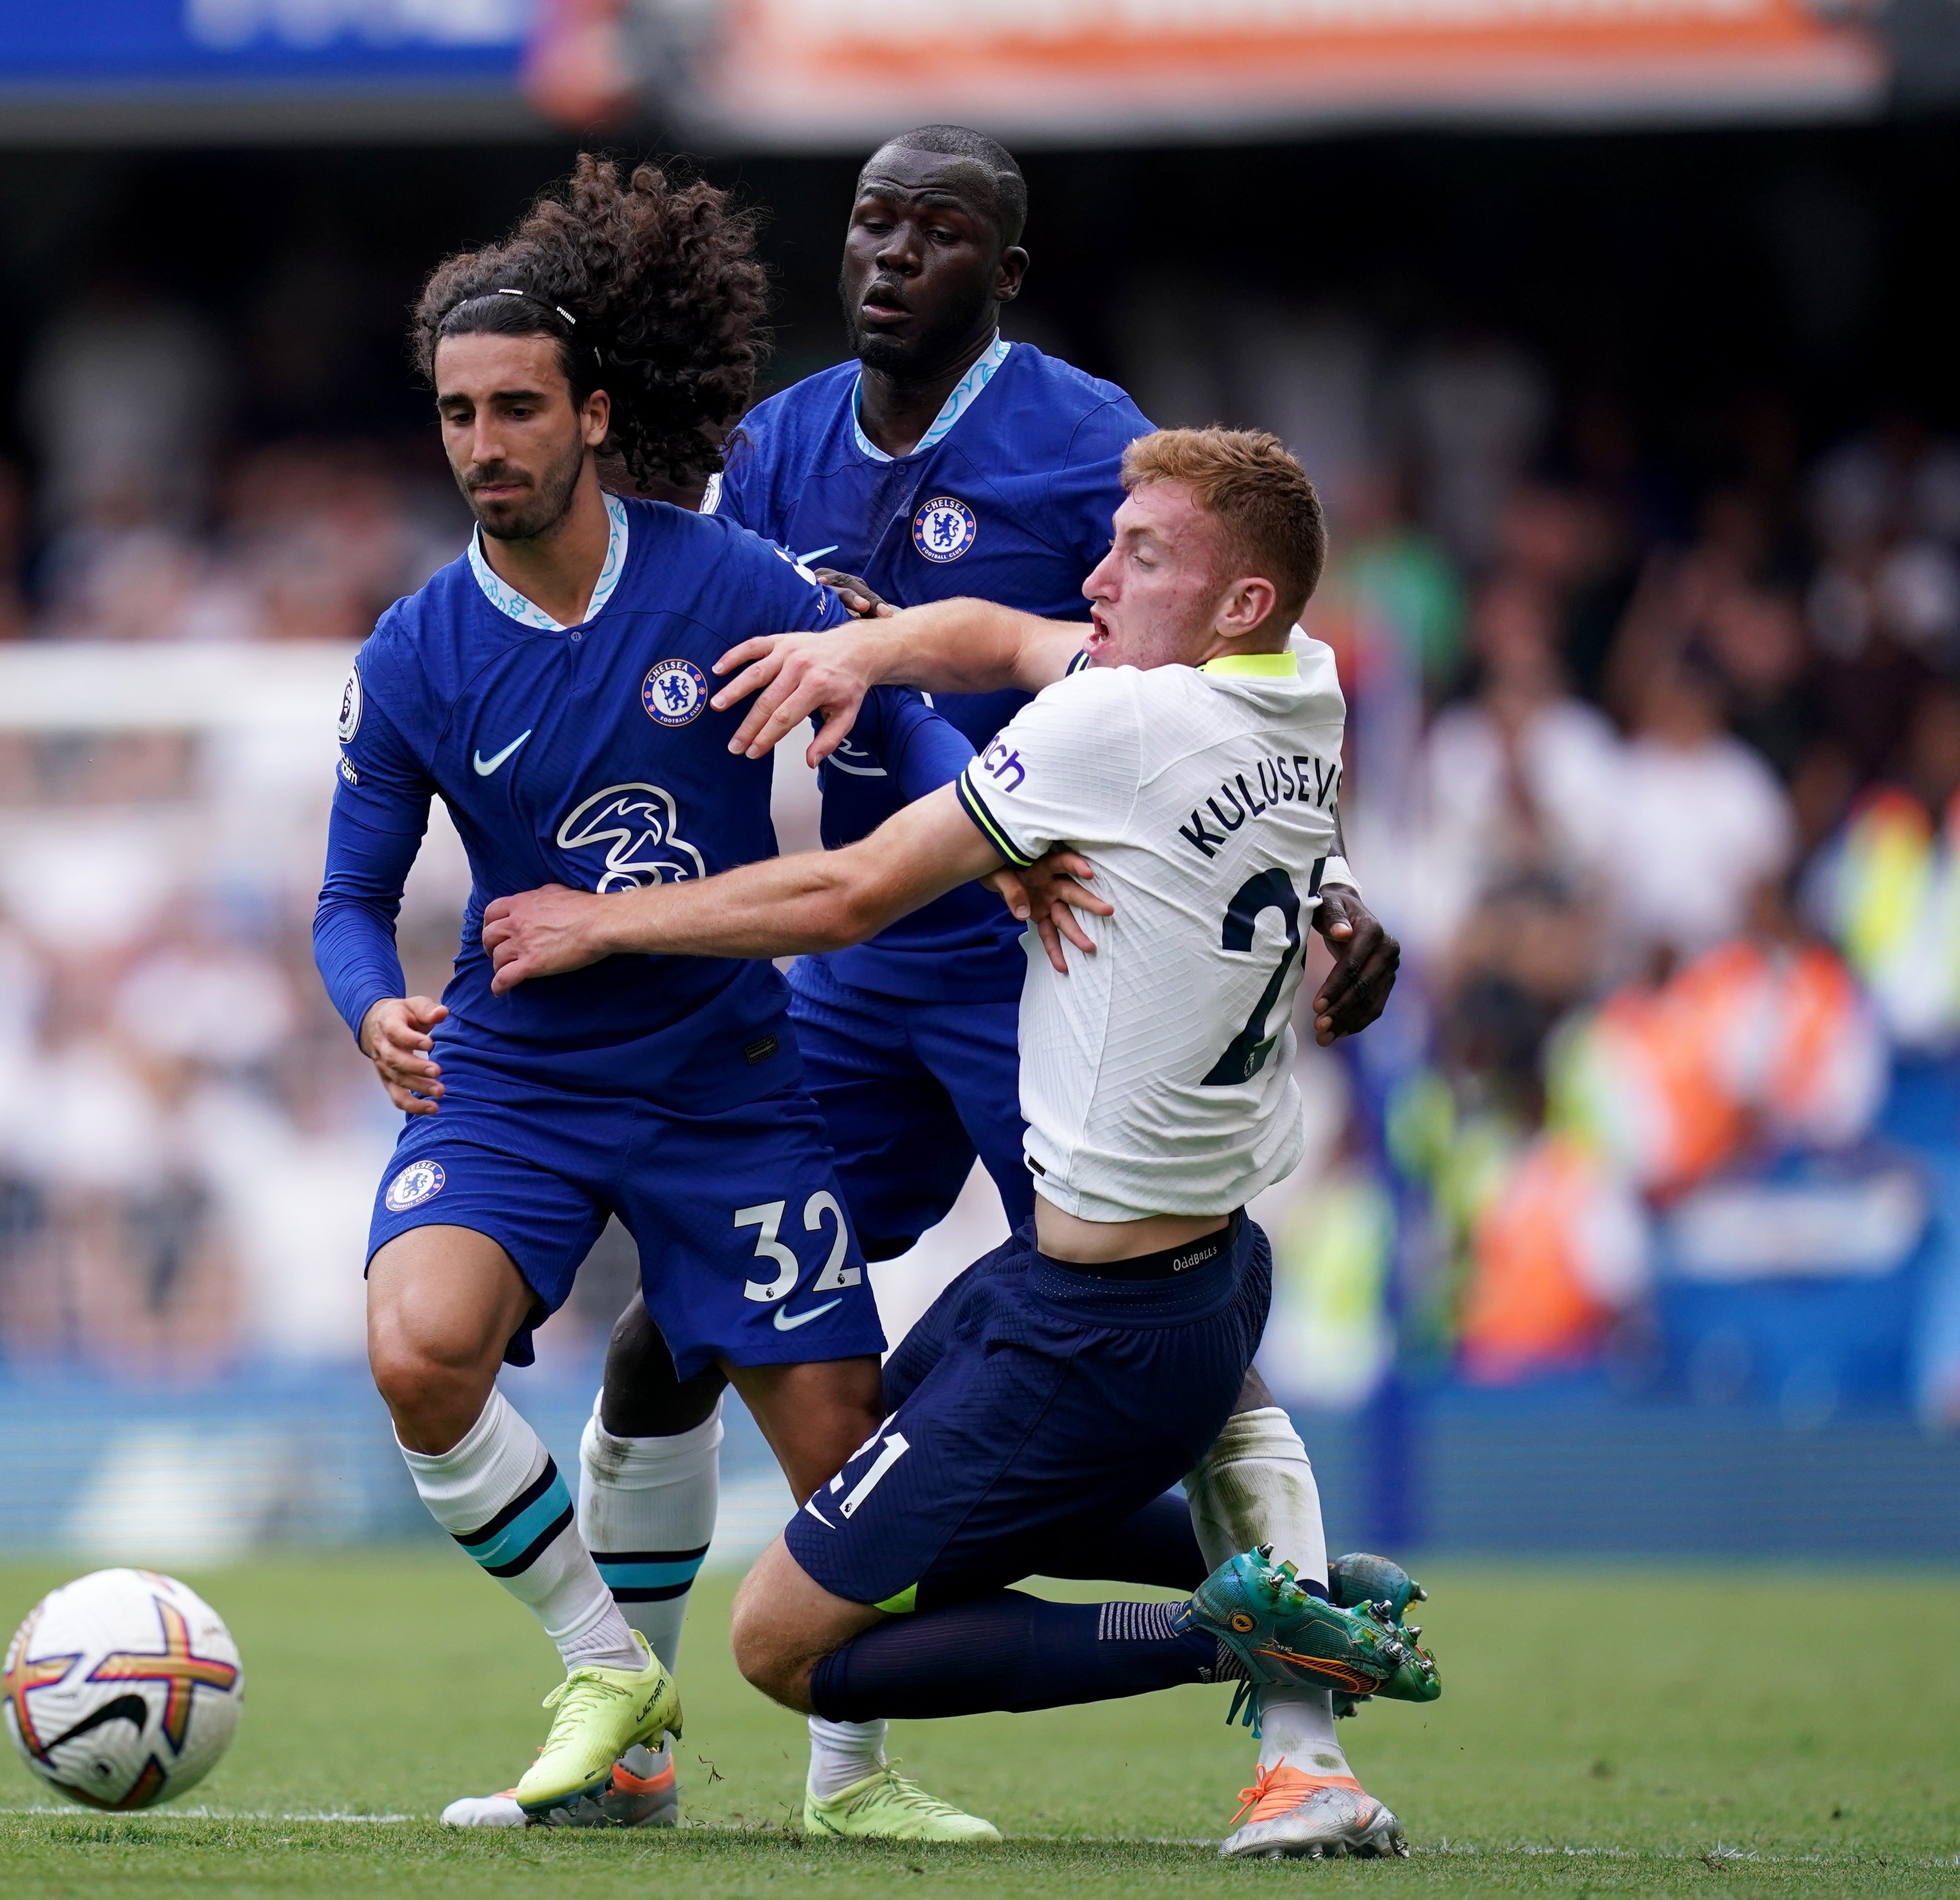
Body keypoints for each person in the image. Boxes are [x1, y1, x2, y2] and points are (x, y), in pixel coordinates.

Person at [497, 123, 1403, 1840]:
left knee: (1177, 1345)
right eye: (868, 222)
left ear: (1007, 267)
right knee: (686, 1322)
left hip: (1029, 959)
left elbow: (1223, 702)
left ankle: (1309, 1749)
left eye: (937, 230)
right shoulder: (771, 449)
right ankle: (634, 1734)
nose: (892, 255)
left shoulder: (1097, 448)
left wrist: (1330, 885)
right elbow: (761, 678)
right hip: (848, 988)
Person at [311, 155, 985, 1827]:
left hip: (729, 1082)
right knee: (419, 1351)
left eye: (518, 409)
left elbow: (908, 738)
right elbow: (349, 899)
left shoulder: (735, 588)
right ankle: (608, 1668)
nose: (484, 445)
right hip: (518, 1084)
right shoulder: (411, 653)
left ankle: (852, 1780)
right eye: (459, 415)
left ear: (594, 415)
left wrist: (994, 815)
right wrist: (371, 1007)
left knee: (847, 1455)